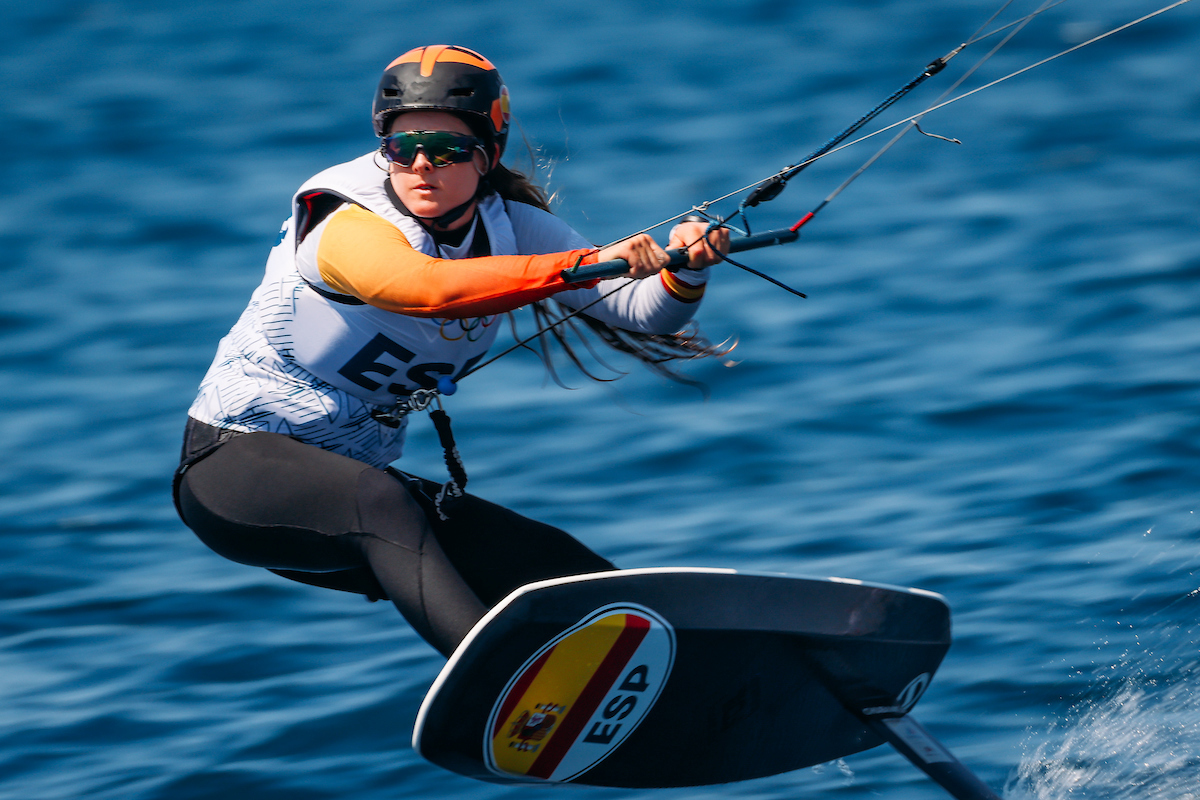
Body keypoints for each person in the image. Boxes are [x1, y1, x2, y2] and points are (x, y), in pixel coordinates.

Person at [173, 44, 730, 657]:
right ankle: (497, 680)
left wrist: (688, 267)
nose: (420, 165)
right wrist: (578, 264)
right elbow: (425, 289)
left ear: (488, 153)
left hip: (354, 495)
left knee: (558, 569)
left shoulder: (508, 225)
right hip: (234, 475)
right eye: (401, 148)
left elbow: (638, 311)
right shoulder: (345, 219)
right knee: (383, 503)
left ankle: (677, 670)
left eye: (444, 150)